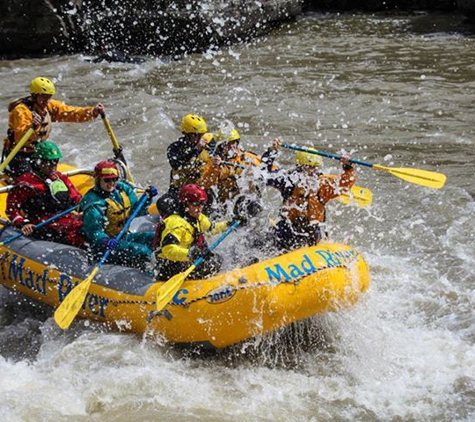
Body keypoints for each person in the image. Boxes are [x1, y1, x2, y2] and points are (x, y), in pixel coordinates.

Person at [2, 76, 105, 178]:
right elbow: (21, 136)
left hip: (38, 152)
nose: (46, 100)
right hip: (19, 154)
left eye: (48, 96)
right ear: (34, 95)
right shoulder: (21, 110)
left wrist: (92, 112)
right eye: (43, 96)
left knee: (50, 174)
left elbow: (70, 113)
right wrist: (33, 127)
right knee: (29, 179)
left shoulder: (49, 106)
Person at [265, 145, 357, 252]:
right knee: (272, 236)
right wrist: (271, 152)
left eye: (315, 167)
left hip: (312, 231)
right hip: (287, 228)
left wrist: (347, 166)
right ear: (300, 167)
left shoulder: (322, 185)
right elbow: (265, 175)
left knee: (314, 233)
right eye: (310, 167)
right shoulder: (288, 181)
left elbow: (345, 183)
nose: (313, 171)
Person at [80, 160, 158, 270]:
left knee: (156, 237)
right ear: (98, 180)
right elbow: (94, 232)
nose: (111, 183)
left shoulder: (122, 190)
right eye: (107, 180)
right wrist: (105, 241)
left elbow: (136, 214)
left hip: (123, 237)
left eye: (114, 179)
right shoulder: (94, 203)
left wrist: (146, 199)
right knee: (142, 251)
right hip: (104, 246)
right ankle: (148, 273)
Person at [6, 141, 85, 247]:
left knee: (86, 227)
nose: (52, 166)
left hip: (66, 219)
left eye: (55, 161)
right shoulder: (26, 184)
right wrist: (23, 223)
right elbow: (12, 209)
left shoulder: (61, 178)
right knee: (71, 235)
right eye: (48, 162)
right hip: (42, 224)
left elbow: (77, 199)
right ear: (38, 162)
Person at [154, 184, 231, 281]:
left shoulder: (197, 217)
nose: (200, 207)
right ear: (185, 204)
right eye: (196, 204)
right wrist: (191, 254)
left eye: (202, 203)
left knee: (217, 259)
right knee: (212, 264)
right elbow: (168, 250)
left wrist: (230, 223)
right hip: (170, 266)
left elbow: (211, 229)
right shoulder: (174, 223)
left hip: (187, 260)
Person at [199, 127, 273, 211]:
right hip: (226, 205)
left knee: (249, 202)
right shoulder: (214, 162)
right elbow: (205, 184)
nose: (231, 146)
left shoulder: (246, 158)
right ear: (221, 145)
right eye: (227, 143)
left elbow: (266, 167)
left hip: (245, 201)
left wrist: (271, 153)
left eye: (234, 142)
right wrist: (214, 167)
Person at [156, 114, 213, 217]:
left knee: (211, 198)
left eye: (202, 135)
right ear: (187, 134)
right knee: (163, 204)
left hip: (200, 190)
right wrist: (195, 150)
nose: (201, 138)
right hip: (179, 190)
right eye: (197, 135)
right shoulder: (175, 147)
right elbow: (176, 164)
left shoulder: (209, 147)